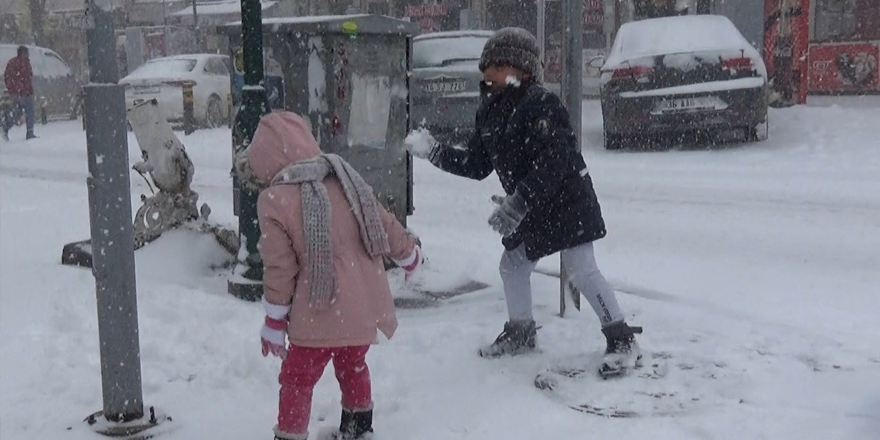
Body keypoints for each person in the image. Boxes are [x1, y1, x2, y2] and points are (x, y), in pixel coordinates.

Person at [406, 28, 642, 377]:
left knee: (581, 268)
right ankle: (520, 332)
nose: (489, 70)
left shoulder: (541, 104)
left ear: (522, 69)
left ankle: (621, 339)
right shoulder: (487, 113)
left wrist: (518, 201)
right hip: (532, 208)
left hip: (566, 202)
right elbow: (476, 165)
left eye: (499, 64)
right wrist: (435, 152)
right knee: (512, 265)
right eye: (487, 63)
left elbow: (555, 159)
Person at [240, 111, 422, 440]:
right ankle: (358, 428)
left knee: (297, 378)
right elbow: (384, 222)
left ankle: (291, 433)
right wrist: (408, 254)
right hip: (362, 307)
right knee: (353, 366)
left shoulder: (275, 199)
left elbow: (281, 268)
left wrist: (274, 320)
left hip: (318, 310)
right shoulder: (345, 179)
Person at [3, 45, 37, 141]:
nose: (27, 55)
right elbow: (11, 78)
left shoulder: (22, 63)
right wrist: (18, 90)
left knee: (19, 112)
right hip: (19, 93)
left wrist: (29, 91)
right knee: (24, 111)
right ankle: (29, 132)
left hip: (22, 92)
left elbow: (27, 79)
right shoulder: (18, 63)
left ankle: (6, 128)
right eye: (25, 53)